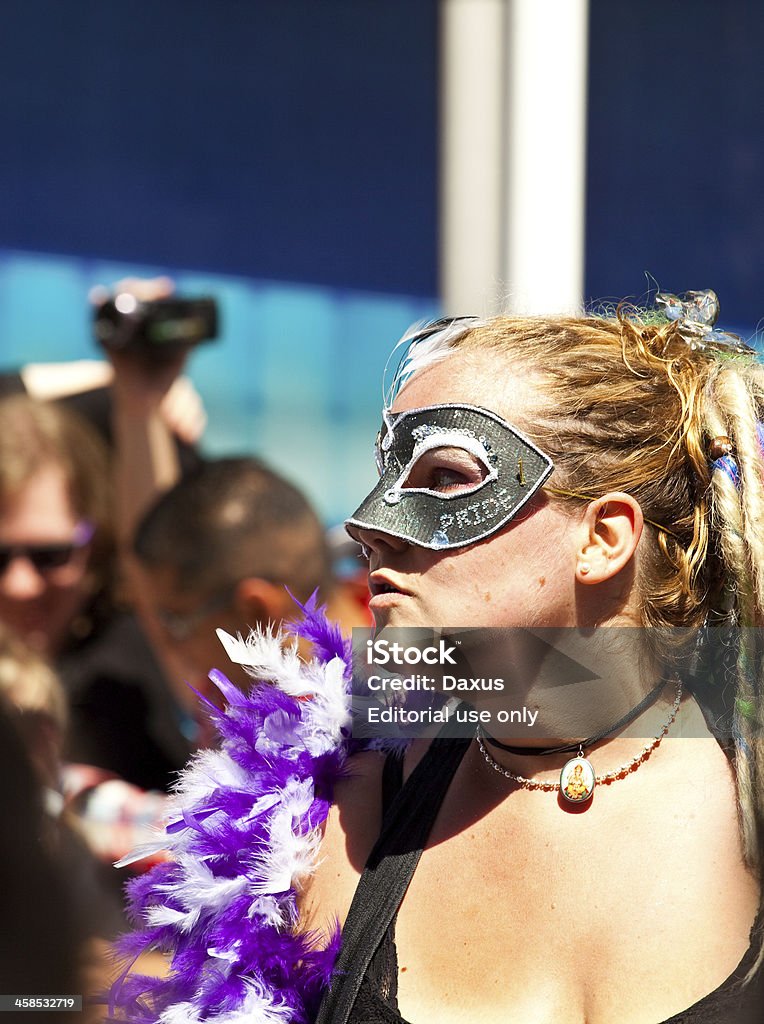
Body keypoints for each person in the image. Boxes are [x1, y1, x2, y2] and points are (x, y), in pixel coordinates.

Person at [108, 292, 764, 1024]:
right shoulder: (329, 803)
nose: (368, 524)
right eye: (388, 474)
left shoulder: (750, 796)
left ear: (603, 537)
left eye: (445, 477)